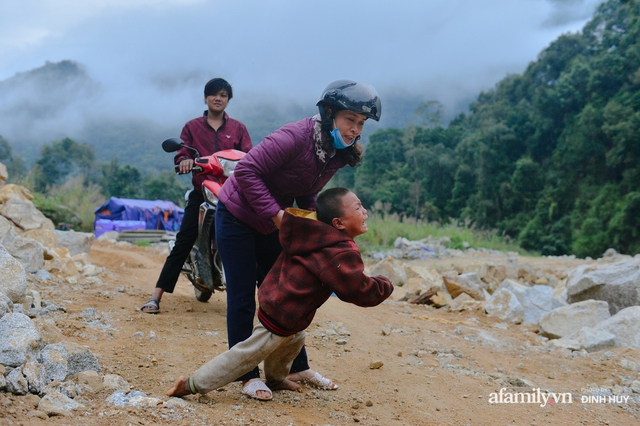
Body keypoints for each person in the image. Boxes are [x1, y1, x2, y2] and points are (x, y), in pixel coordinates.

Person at [214, 79, 382, 399]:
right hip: (237, 216)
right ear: (330, 113)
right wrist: (278, 216)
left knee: (287, 294)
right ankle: (247, 375)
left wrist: (308, 226)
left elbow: (308, 192)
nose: (355, 130)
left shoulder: (336, 153)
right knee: (241, 297)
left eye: (360, 124)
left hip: (273, 223)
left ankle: (295, 367)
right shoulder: (294, 137)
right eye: (350, 120)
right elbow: (247, 171)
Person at [166, 187, 393, 400]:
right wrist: (385, 284)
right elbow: (358, 290)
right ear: (338, 223)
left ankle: (276, 380)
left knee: (293, 341)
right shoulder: (337, 253)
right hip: (284, 311)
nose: (365, 212)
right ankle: (192, 384)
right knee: (246, 355)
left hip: (282, 304)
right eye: (358, 208)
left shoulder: (310, 232)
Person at [140, 78, 252, 314]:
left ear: (228, 99)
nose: (218, 98)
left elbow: (251, 157)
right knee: (183, 241)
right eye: (213, 94)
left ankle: (259, 305)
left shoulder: (238, 129)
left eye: (223, 95)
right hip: (202, 193)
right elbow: (182, 153)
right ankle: (156, 296)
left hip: (232, 194)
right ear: (205, 97)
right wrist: (184, 161)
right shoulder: (192, 127)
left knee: (251, 239)